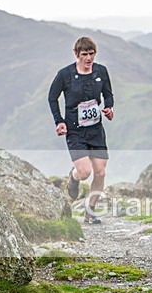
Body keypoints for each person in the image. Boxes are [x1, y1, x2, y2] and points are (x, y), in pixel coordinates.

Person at [48, 36, 114, 224]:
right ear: (76, 54)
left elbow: (108, 94)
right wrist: (59, 121)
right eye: (84, 54)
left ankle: (90, 212)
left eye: (91, 53)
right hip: (75, 131)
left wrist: (109, 108)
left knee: (100, 172)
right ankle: (74, 176)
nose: (89, 58)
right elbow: (52, 97)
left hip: (96, 130)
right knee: (85, 172)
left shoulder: (101, 71)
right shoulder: (65, 75)